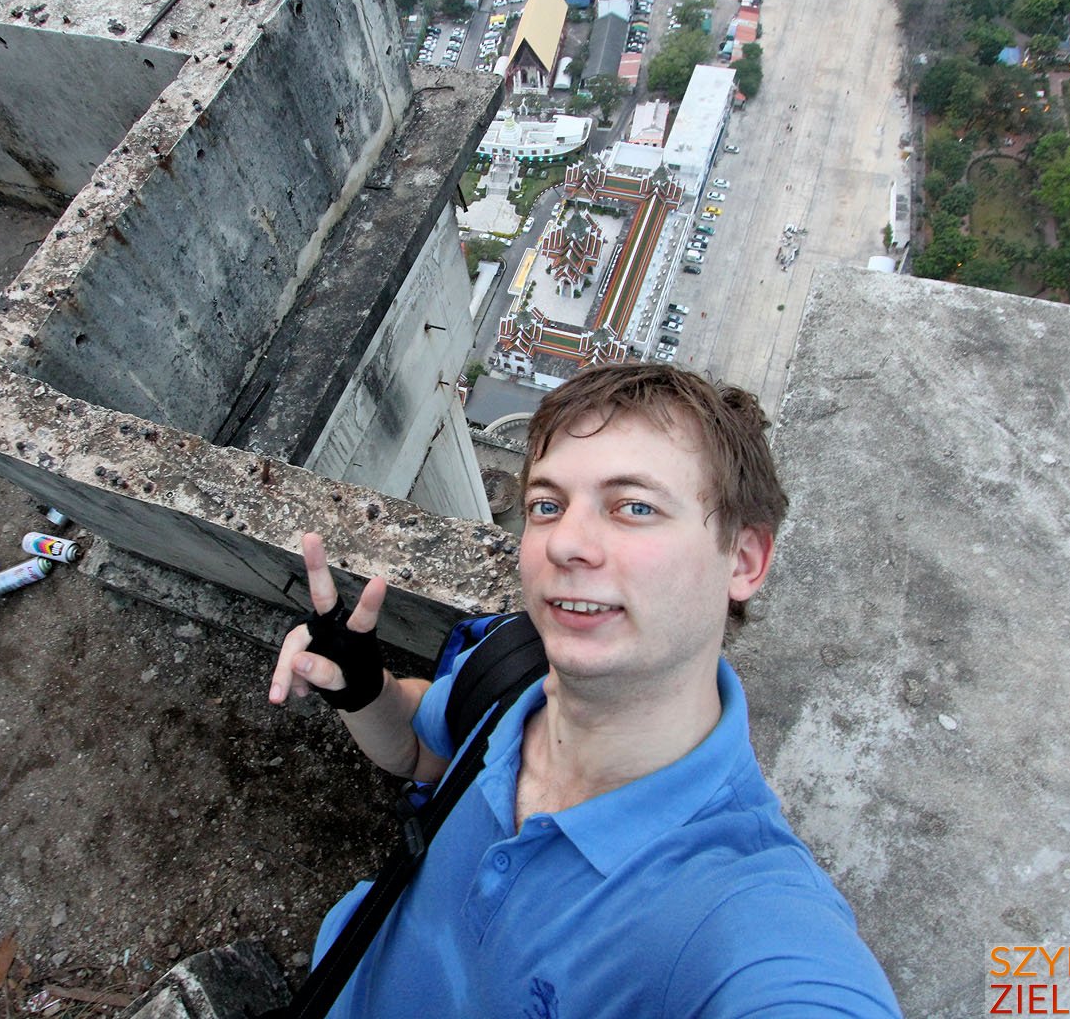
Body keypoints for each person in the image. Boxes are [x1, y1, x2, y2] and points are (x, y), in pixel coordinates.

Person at [269, 363, 900, 1017]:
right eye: (547, 504)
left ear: (743, 560)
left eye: (633, 506)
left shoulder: (738, 913)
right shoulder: (509, 674)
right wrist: (363, 689)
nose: (565, 542)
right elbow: (420, 755)